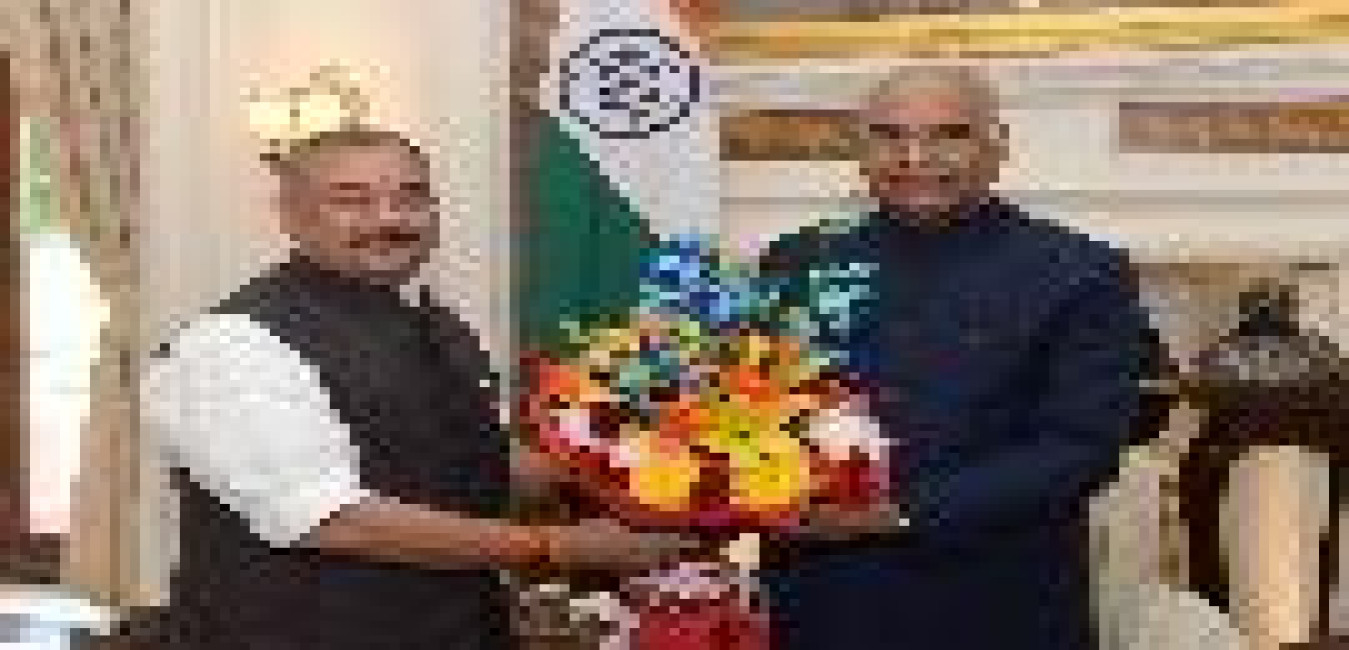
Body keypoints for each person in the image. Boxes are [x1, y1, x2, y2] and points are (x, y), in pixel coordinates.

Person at [139, 127, 697, 650]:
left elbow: (467, 457)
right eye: (352, 200)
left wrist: (644, 469)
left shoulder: (438, 323)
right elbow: (331, 519)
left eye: (411, 197)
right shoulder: (235, 344)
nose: (388, 218)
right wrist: (556, 546)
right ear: (290, 214)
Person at [759, 65, 1156, 650]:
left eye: (949, 135)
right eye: (889, 136)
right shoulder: (796, 260)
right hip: (821, 599)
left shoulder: (1081, 273)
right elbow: (756, 404)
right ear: (859, 149)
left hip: (994, 602)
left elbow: (1081, 449)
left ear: (999, 146)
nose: (915, 158)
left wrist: (896, 513)